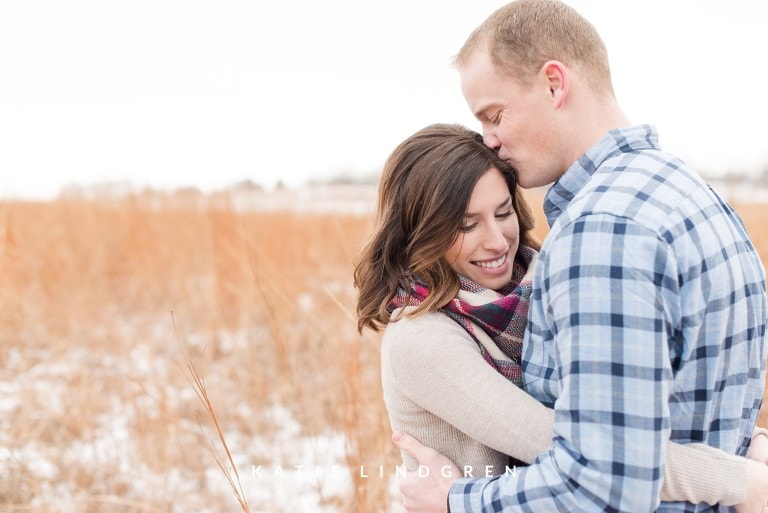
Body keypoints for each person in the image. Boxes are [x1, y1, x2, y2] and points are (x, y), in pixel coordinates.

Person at [387, 2, 768, 512]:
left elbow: (604, 478)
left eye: (494, 115)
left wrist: (459, 500)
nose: (491, 141)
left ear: (554, 84)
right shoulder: (693, 194)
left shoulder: (601, 233)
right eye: (465, 223)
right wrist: (742, 464)